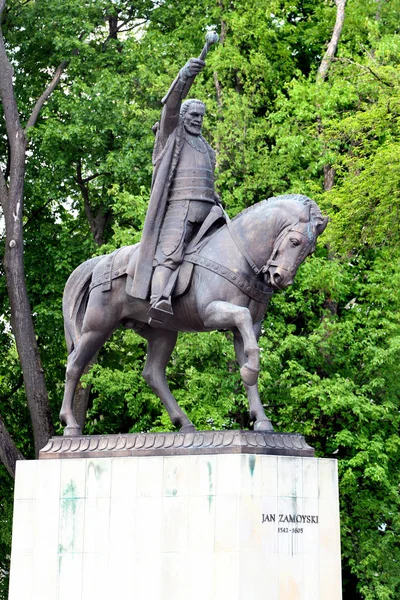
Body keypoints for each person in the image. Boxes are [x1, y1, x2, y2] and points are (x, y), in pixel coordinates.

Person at [129, 56, 223, 322]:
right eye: (193, 115)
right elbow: (170, 107)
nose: (198, 120)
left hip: (209, 210)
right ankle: (159, 299)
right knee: (170, 254)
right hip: (180, 208)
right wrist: (184, 76)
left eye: (201, 117)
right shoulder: (172, 135)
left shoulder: (205, 147)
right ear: (183, 117)